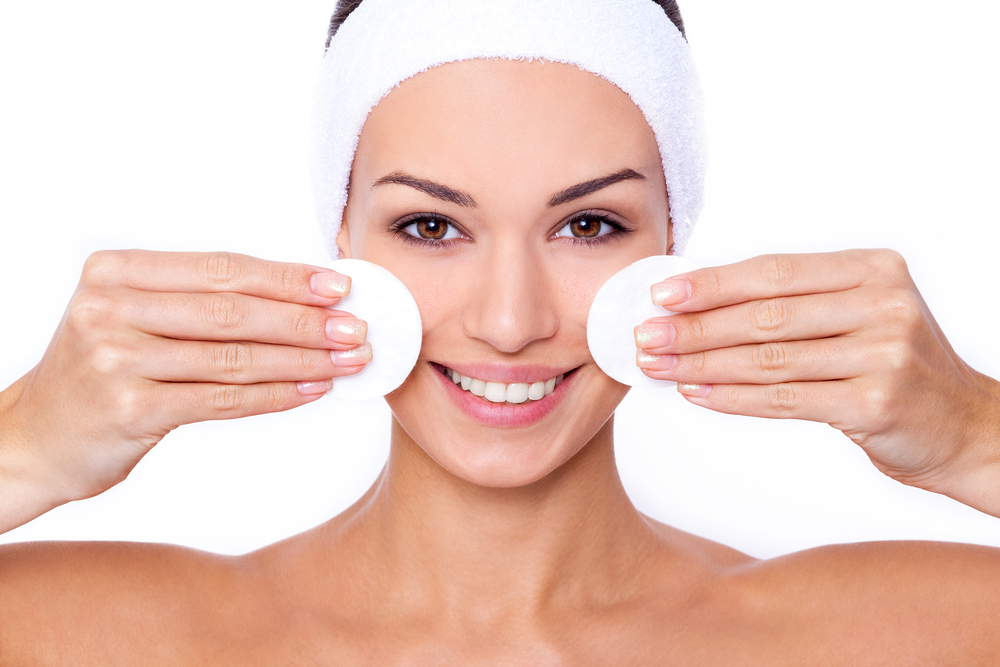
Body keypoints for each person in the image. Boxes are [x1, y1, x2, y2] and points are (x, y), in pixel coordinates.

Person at [1, 0, 1000, 662]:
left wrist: (973, 436)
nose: (510, 322)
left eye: (589, 225)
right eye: (431, 227)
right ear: (342, 237)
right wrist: (24, 448)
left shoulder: (891, 636)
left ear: (671, 243)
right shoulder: (100, 638)